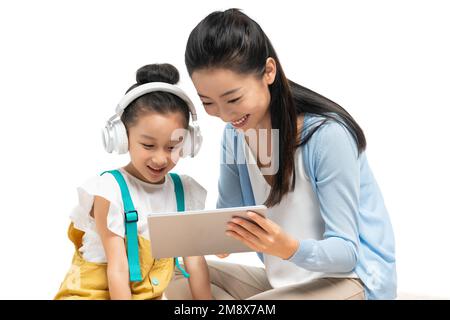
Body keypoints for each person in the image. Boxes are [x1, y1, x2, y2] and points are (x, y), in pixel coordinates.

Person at [166, 9, 396, 300]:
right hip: (287, 283)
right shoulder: (235, 137)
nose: (225, 116)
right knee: (176, 277)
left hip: (354, 281)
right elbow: (228, 217)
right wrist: (209, 236)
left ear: (268, 71)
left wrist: (287, 247)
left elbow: (347, 253)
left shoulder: (327, 136)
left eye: (234, 99)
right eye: (209, 103)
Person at [55, 63, 212, 300]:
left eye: (172, 147)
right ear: (122, 138)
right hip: (91, 294)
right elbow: (118, 269)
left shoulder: (184, 191)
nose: (161, 158)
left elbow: (195, 261)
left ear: (189, 142)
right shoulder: (109, 190)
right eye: (148, 145)